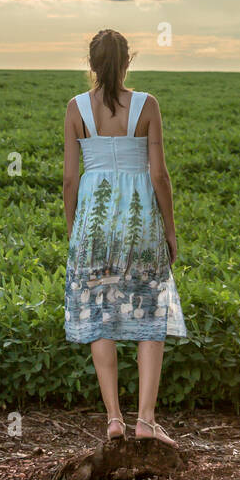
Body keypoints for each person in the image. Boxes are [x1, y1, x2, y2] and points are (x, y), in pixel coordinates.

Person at [63, 28, 188, 445]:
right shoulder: (147, 105)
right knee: (150, 316)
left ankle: (114, 419)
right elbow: (159, 175)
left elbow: (68, 180)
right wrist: (170, 231)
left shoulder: (75, 108)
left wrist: (73, 231)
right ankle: (146, 422)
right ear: (128, 61)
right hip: (139, 223)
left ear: (92, 64)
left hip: (94, 224)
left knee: (100, 318)